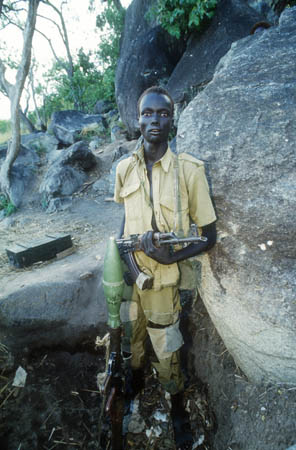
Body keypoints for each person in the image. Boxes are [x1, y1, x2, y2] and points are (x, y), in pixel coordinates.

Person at [114, 86, 217, 450]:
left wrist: (167, 259)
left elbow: (209, 236)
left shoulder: (188, 171)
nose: (154, 120)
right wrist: (128, 262)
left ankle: (176, 405)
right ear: (137, 119)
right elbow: (123, 222)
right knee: (133, 337)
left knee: (167, 345)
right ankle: (136, 381)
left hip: (163, 280)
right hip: (131, 275)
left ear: (172, 119)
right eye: (147, 113)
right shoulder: (124, 168)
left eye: (162, 114)